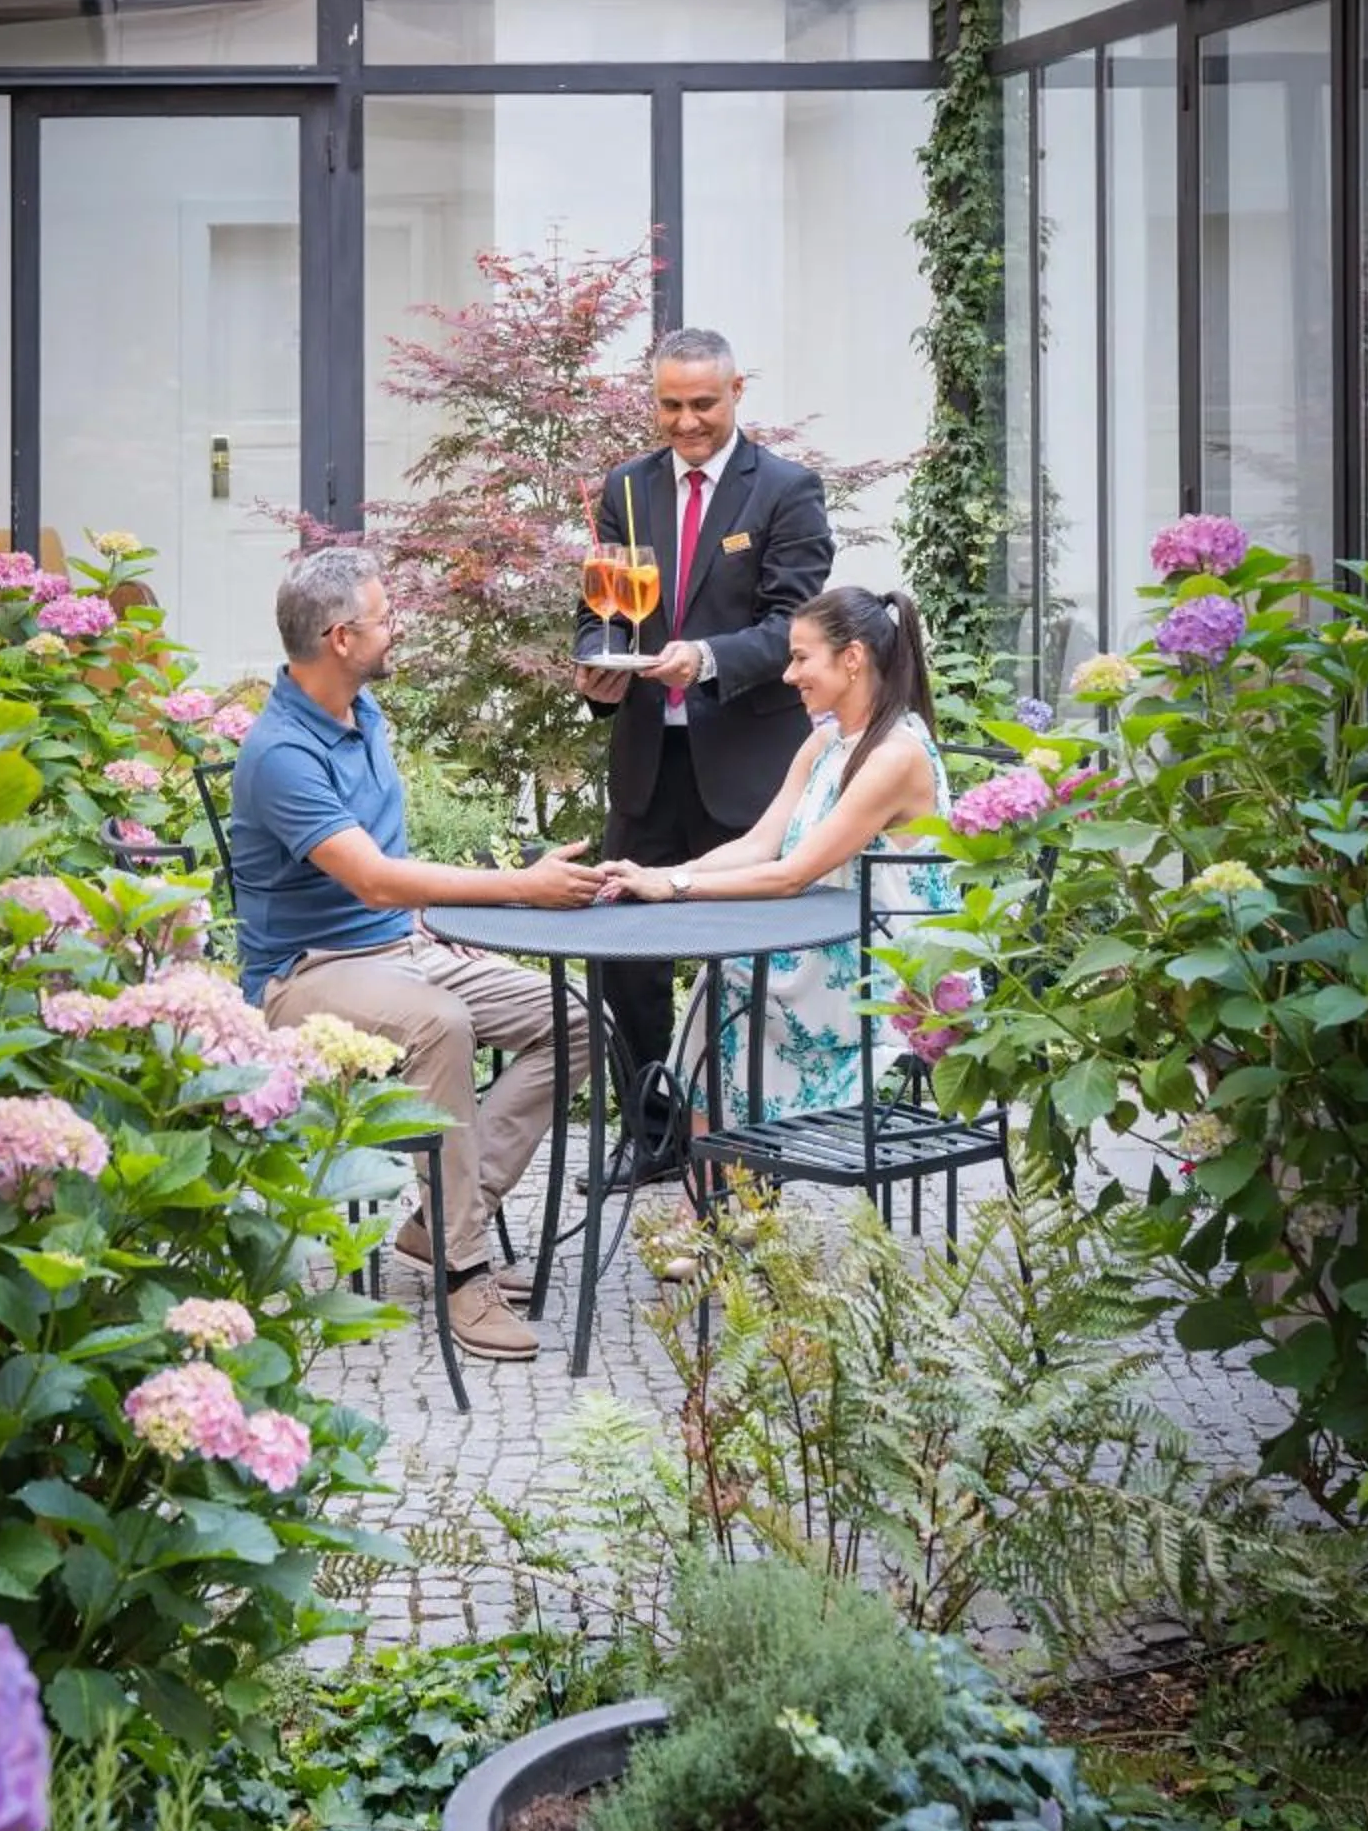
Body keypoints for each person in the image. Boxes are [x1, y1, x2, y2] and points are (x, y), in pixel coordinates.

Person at [231, 545, 597, 1364]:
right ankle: (464, 1272)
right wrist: (519, 887)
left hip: (400, 946)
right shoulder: (281, 755)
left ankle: (436, 1226)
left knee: (574, 1019)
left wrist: (433, 917)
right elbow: (370, 880)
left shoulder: (364, 715)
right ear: (339, 638)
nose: (397, 630)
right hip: (305, 975)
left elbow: (393, 867)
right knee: (441, 1023)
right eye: (384, 619)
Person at [574, 326, 833, 1173]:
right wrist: (597, 669)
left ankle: (736, 1145)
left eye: (702, 405)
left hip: (747, 768)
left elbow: (792, 625)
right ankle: (651, 1140)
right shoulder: (628, 487)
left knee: (743, 966)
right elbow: (605, 606)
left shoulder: (787, 491)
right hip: (649, 762)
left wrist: (708, 658)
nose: (685, 422)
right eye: (670, 405)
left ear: (736, 393)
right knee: (627, 962)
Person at [598, 586, 961, 1123]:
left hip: (884, 970)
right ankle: (722, 1189)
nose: (788, 675)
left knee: (731, 983)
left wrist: (673, 888)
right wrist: (658, 872)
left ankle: (724, 1189)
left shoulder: (894, 757)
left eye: (800, 658)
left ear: (853, 659)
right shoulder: (826, 743)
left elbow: (791, 875)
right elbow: (758, 845)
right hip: (826, 939)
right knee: (724, 979)